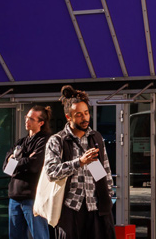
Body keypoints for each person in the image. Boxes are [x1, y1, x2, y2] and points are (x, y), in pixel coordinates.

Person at [44, 85, 115, 239]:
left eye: (86, 113)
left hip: (95, 207)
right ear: (69, 117)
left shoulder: (95, 138)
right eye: (79, 115)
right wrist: (79, 162)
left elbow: (104, 171)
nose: (85, 118)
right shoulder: (57, 140)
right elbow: (51, 172)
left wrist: (108, 196)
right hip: (69, 208)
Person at [6, 105, 52, 239]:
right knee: (15, 236)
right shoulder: (21, 141)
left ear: (41, 123)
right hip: (15, 197)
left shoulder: (45, 140)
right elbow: (6, 167)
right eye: (27, 117)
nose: (27, 121)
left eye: (31, 119)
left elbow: (34, 166)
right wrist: (25, 160)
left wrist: (15, 161)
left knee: (40, 235)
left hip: (33, 198)